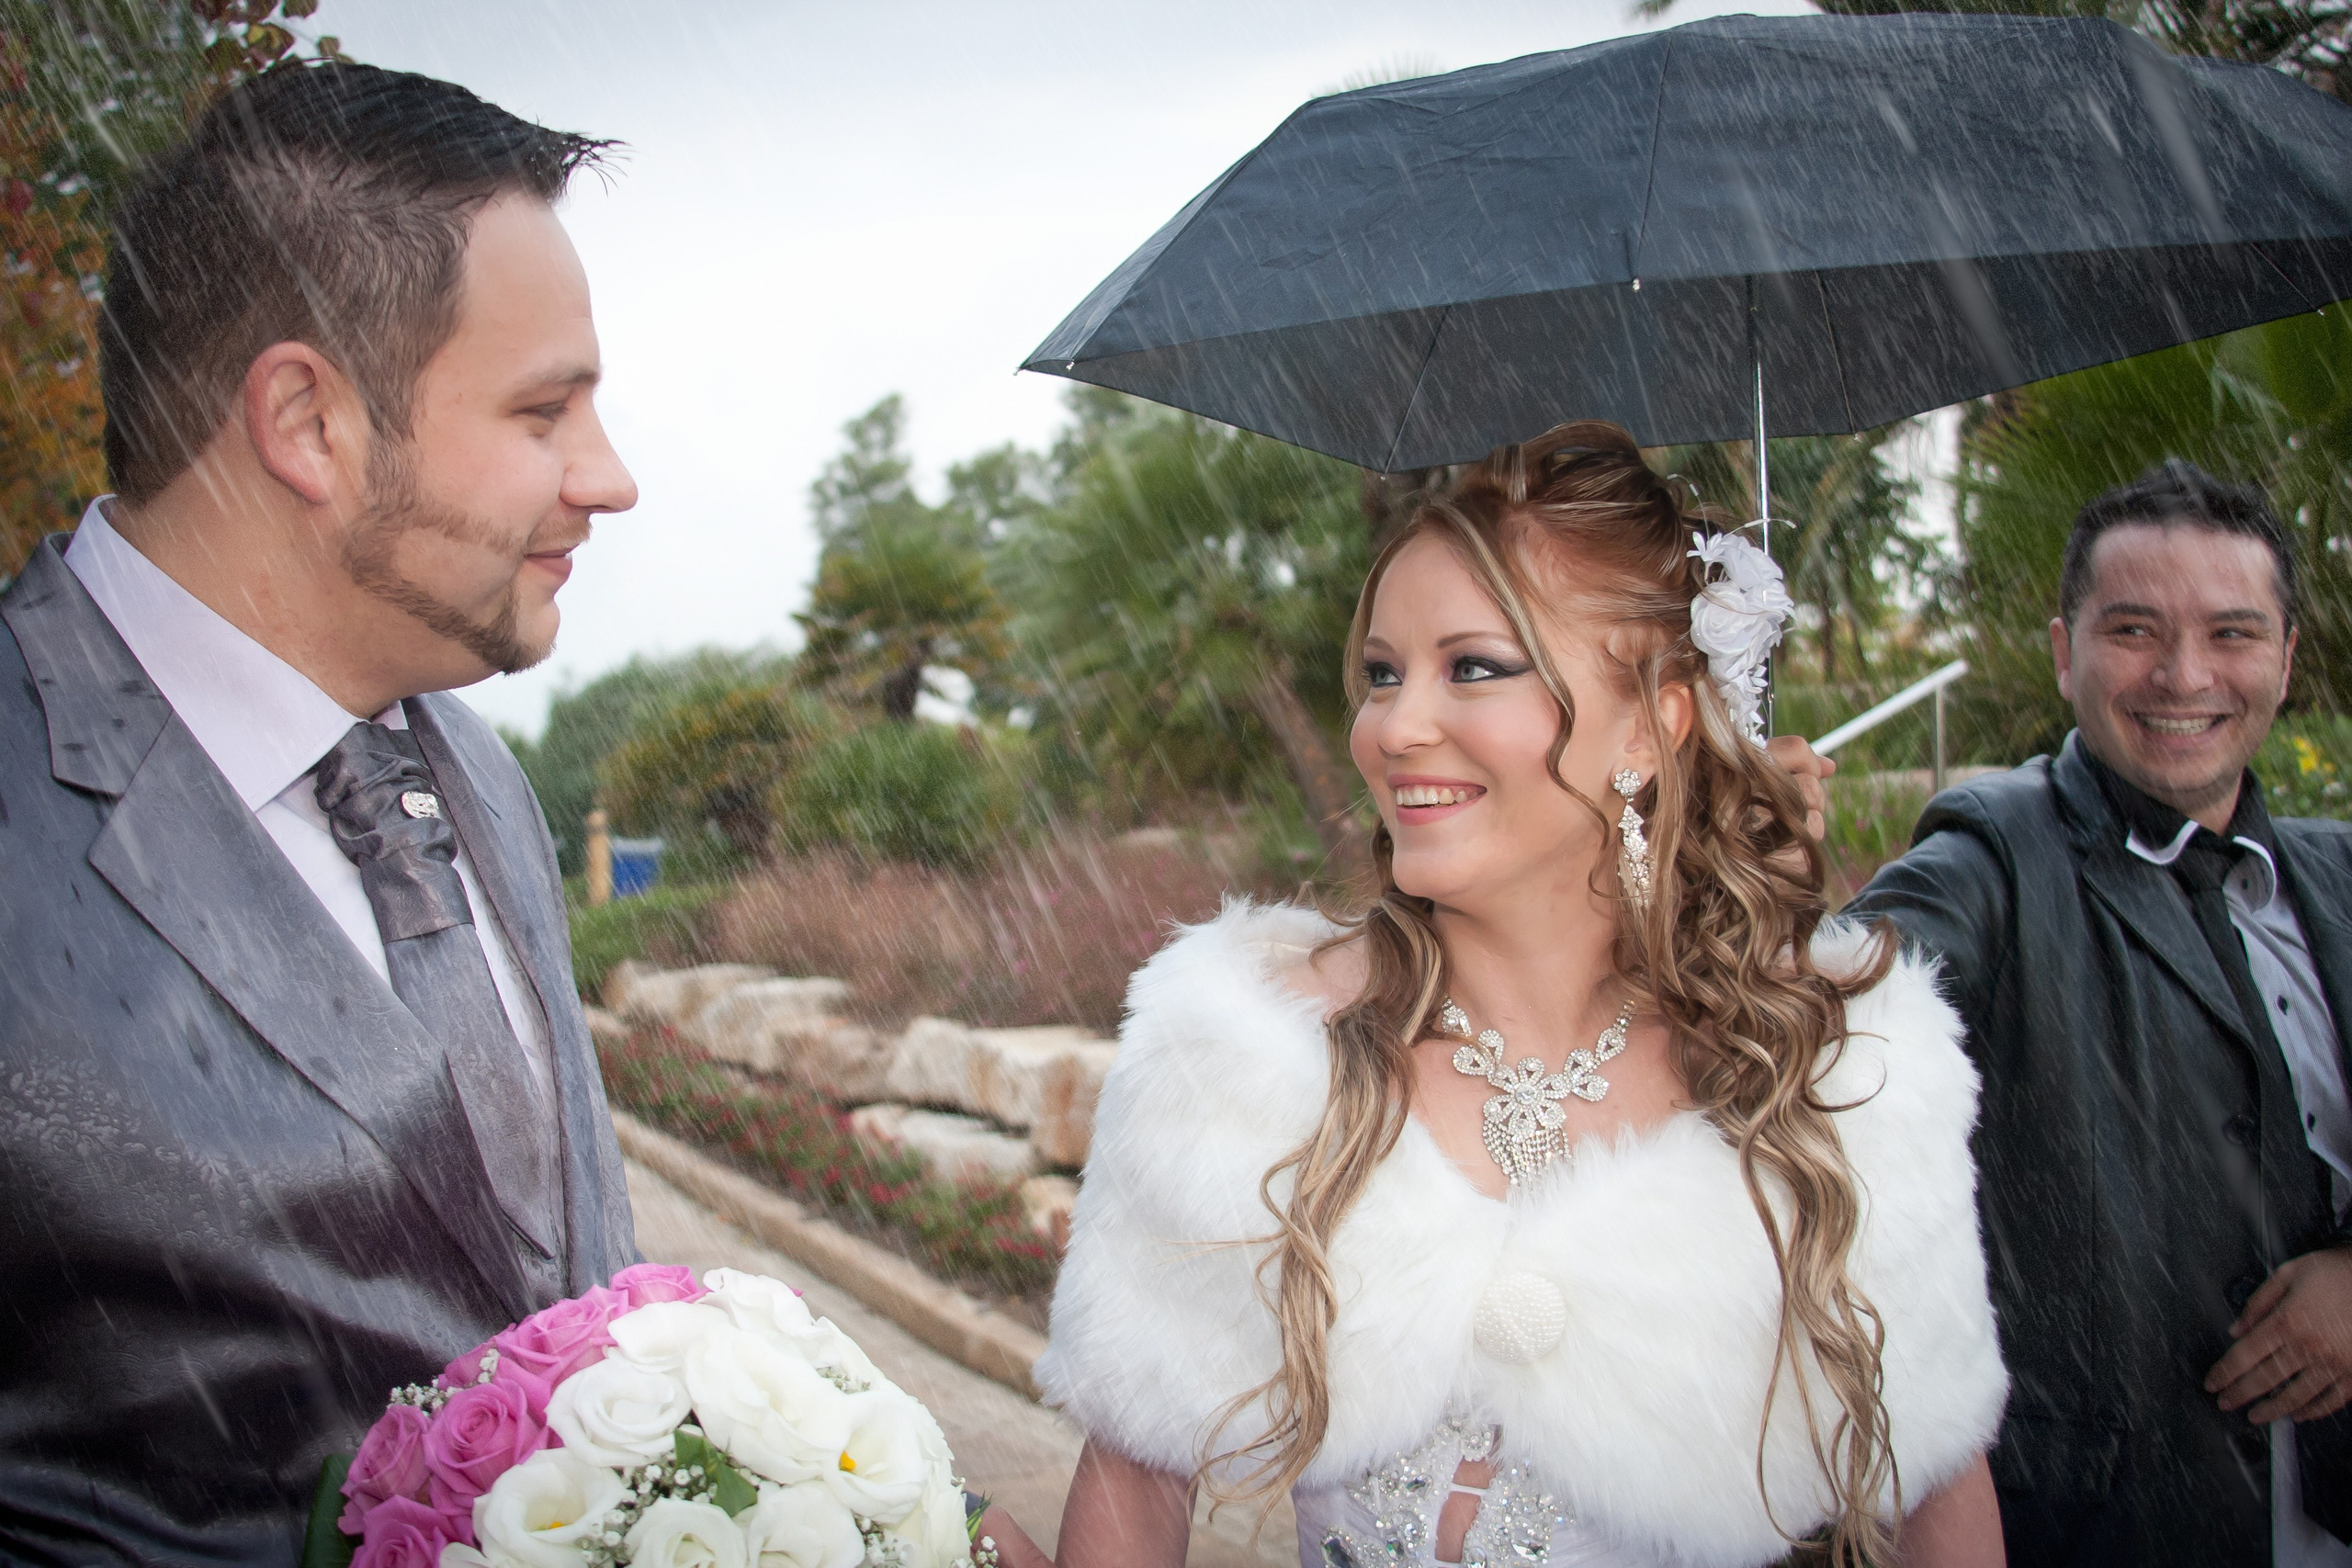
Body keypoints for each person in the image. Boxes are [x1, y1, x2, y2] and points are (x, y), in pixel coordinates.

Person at [1010, 424, 2008, 1568]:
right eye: (1382, 673)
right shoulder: (1238, 1060)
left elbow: (1936, 1487)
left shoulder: (1843, 1070)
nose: (1394, 726)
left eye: (1472, 667)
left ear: (1650, 723)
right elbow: (1134, 1494)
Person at [0, 62, 642, 1563]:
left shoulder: (477, 772)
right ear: (307, 421)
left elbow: (542, 1287)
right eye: (543, 409)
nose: (607, 478)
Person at [1845, 461, 2352, 1567]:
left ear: (2284, 658)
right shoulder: (1989, 857)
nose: (2183, 676)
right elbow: (1813, 1022)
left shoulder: (2341, 878)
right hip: (2104, 1523)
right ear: (2065, 649)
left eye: (2231, 633)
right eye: (2133, 630)